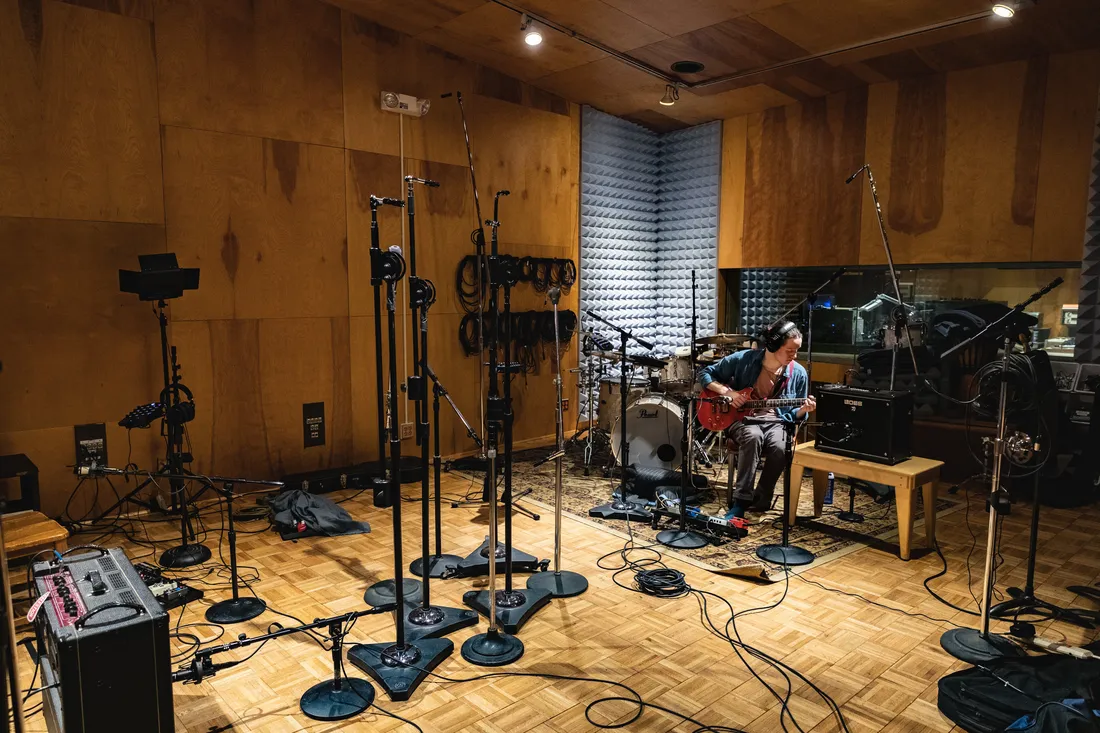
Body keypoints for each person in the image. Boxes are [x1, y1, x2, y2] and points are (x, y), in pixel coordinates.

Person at [697, 321, 816, 519]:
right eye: (790, 350)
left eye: (797, 351)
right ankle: (741, 501)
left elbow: (796, 414)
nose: (794, 356)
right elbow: (705, 374)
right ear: (773, 346)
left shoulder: (798, 373)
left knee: (781, 446)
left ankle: (761, 496)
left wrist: (803, 410)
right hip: (742, 420)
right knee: (752, 436)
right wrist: (729, 393)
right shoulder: (744, 359)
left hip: (777, 422)